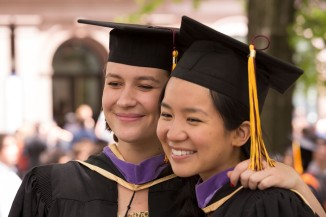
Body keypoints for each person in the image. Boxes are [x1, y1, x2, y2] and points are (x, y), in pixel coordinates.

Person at [9, 18, 323, 217]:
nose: (125, 99)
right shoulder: (48, 187)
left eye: (146, 86)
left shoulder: (206, 193)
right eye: (113, 82)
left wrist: (300, 190)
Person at [157, 16, 325, 216]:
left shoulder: (264, 206)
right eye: (166, 114)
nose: (174, 134)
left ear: (241, 133)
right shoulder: (194, 198)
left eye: (193, 119)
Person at [0, 133, 21, 217]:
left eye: (15, 145)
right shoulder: (4, 177)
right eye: (7, 146)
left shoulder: (11, 173)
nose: (14, 150)